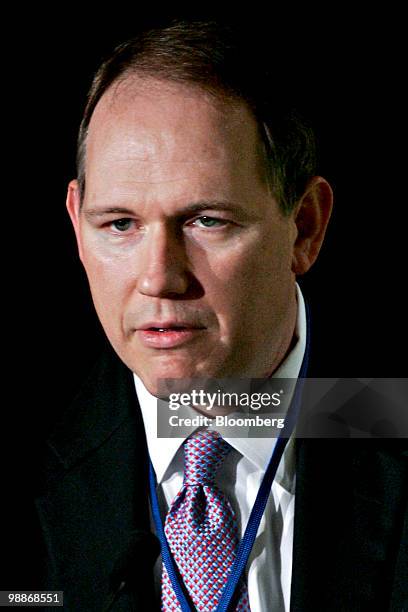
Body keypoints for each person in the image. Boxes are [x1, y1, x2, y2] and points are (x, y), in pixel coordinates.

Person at [11, 20, 406, 611]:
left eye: (206, 221)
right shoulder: (26, 457)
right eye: (120, 224)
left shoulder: (388, 416)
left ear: (304, 228)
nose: (159, 278)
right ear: (75, 223)